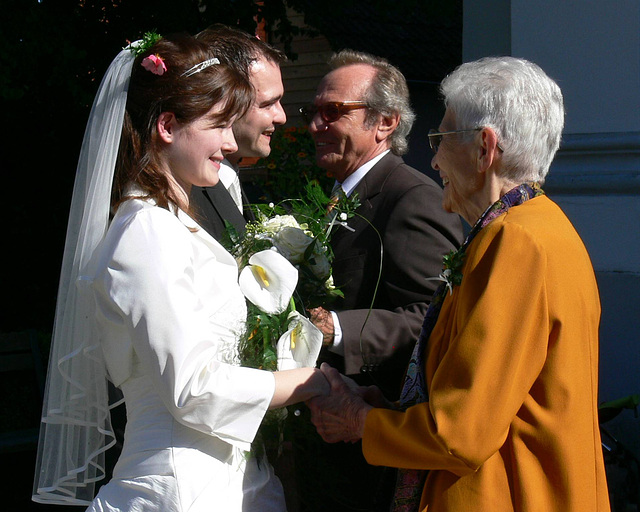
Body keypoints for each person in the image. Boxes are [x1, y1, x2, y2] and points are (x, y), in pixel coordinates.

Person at [32, 33, 328, 511]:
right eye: (219, 126)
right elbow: (192, 388)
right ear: (167, 125)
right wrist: (309, 382)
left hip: (234, 480)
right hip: (179, 487)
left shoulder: (176, 223)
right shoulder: (143, 231)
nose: (231, 143)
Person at [307, 56, 611, 512]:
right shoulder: (538, 227)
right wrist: (389, 409)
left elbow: (459, 434)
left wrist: (361, 422)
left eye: (441, 138)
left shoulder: (518, 242)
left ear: (484, 148)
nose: (432, 158)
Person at [295, 50, 464, 512]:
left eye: (333, 112)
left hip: (369, 452)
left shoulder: (412, 198)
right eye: (312, 112)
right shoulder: (336, 193)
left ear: (385, 122)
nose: (315, 125)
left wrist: (338, 328)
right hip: (323, 446)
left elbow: (433, 319)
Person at [190, 24, 287, 241]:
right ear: (225, 101)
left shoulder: (232, 176)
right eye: (267, 104)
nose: (282, 117)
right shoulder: (186, 192)